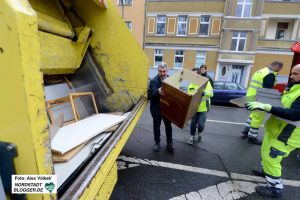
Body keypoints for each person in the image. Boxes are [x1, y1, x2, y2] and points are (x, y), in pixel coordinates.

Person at [246, 64, 300, 198]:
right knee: (265, 153)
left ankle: (275, 188)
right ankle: (267, 173)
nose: (291, 76)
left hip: (287, 135)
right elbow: (284, 105)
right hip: (276, 130)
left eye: (295, 74)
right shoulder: (293, 88)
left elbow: (295, 114)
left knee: (272, 160)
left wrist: (267, 106)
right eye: (291, 73)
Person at [241, 61, 283, 144]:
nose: (279, 71)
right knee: (258, 117)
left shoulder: (260, 71)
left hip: (251, 96)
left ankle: (246, 129)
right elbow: (267, 90)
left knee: (253, 115)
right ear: (277, 67)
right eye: (279, 69)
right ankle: (252, 137)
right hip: (260, 98)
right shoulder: (270, 74)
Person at [149, 63, 174, 152]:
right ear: (158, 71)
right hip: (156, 109)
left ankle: (170, 143)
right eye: (160, 71)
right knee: (156, 127)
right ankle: (157, 143)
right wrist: (158, 91)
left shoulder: (171, 80)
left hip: (167, 109)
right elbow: (152, 93)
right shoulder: (154, 81)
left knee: (168, 127)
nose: (162, 73)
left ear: (167, 71)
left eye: (164, 71)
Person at [187, 67, 214, 144]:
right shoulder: (191, 85)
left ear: (199, 75)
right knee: (193, 123)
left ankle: (200, 133)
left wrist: (204, 92)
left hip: (204, 108)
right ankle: (192, 136)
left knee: (201, 124)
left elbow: (212, 93)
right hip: (194, 108)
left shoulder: (206, 83)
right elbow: (190, 96)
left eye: (194, 75)